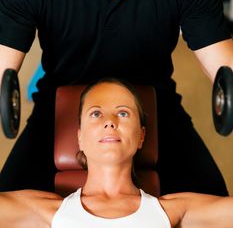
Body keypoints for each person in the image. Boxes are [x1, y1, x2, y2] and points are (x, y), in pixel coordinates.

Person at [0, 0, 233, 195]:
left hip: (154, 108)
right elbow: (3, 68)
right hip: (62, 111)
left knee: (215, 202)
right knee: (7, 205)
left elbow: (223, 67)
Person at [1, 78, 233, 228]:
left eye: (123, 113)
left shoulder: (173, 210)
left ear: (142, 135)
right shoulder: (46, 211)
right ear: (79, 136)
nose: (109, 122)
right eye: (95, 114)